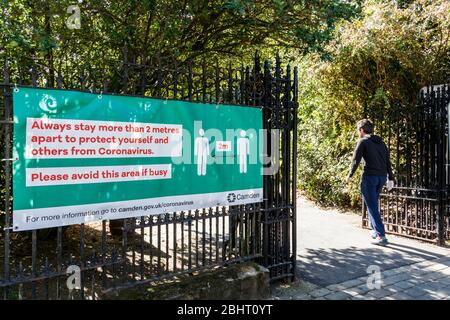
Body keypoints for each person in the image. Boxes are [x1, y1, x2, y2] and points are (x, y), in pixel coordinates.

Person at [345, 119, 395, 246]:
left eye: (358, 130)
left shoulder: (363, 141)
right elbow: (388, 162)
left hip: (370, 178)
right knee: (372, 204)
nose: (358, 133)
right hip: (381, 177)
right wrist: (391, 178)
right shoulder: (381, 143)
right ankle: (374, 230)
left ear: (361, 130)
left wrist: (349, 175)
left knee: (372, 206)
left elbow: (355, 160)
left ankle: (381, 235)